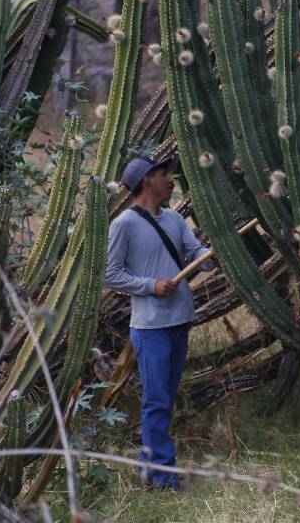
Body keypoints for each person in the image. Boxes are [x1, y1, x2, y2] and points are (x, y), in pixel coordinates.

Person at [105, 153, 212, 489]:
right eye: (164, 174)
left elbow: (195, 254)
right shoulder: (123, 224)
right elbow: (110, 275)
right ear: (147, 181)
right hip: (150, 327)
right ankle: (164, 477)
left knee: (164, 398)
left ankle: (147, 470)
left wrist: (208, 257)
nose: (170, 179)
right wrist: (152, 286)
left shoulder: (174, 219)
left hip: (180, 320)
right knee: (157, 401)